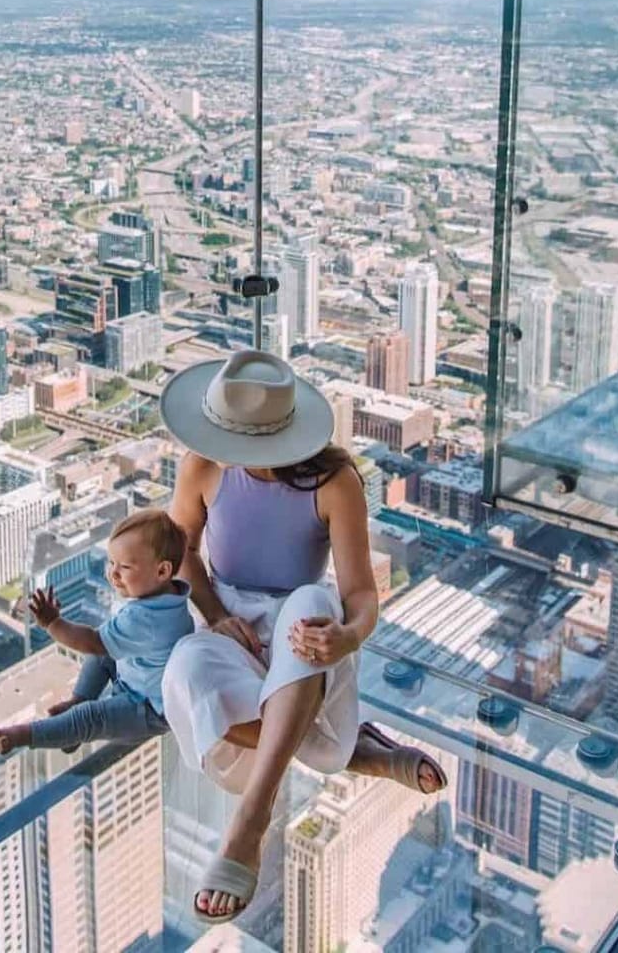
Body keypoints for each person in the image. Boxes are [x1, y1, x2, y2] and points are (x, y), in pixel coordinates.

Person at [158, 349, 447, 925]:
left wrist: (348, 636)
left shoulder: (333, 483)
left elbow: (361, 592)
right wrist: (215, 615)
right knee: (184, 667)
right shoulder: (202, 468)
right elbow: (181, 552)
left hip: (302, 634)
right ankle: (354, 751)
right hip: (228, 618)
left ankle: (250, 821)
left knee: (316, 601)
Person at [0, 509, 194, 755]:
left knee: (90, 715)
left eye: (125, 567)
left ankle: (23, 735)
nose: (113, 574)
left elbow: (92, 642)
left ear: (162, 571)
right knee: (104, 653)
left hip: (147, 708)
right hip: (140, 678)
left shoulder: (145, 619)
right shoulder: (170, 594)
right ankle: (77, 708)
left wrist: (52, 623)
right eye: (111, 563)